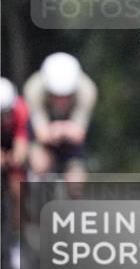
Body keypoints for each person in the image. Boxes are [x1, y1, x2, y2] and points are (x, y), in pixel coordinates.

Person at [22, 53, 97, 184]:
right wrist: (63, 130)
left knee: (76, 180)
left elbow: (79, 134)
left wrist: (57, 130)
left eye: (67, 95)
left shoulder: (87, 90)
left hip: (70, 139)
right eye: (56, 95)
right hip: (44, 131)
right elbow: (41, 134)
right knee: (39, 165)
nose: (62, 101)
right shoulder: (33, 89)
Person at [1, 77, 30, 269]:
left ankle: (16, 243)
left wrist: (14, 159)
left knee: (17, 188)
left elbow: (21, 144)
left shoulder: (20, 109)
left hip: (12, 146)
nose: (5, 118)